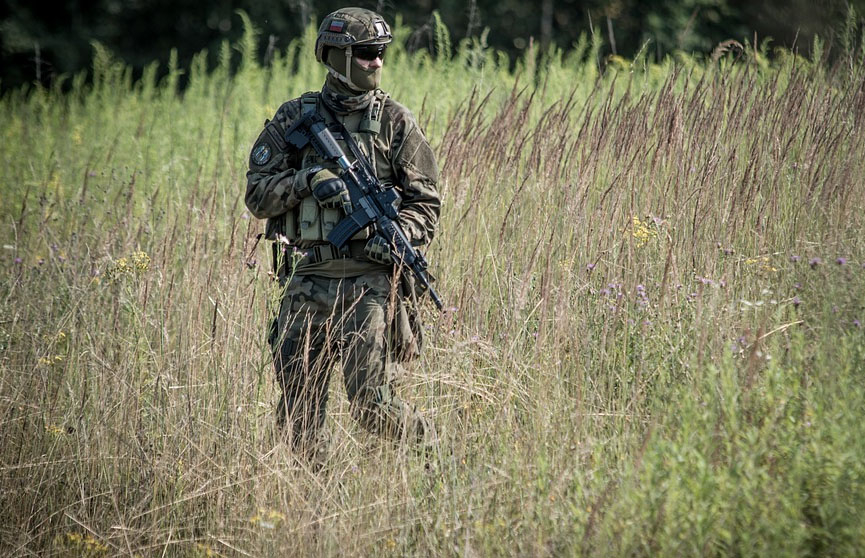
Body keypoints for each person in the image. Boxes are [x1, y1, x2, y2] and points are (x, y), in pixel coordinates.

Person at [244, 7, 440, 462]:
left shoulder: (395, 121)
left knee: (372, 406)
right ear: (335, 56)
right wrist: (307, 180)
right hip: (305, 281)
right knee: (299, 413)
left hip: (368, 285)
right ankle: (317, 496)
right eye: (367, 52)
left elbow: (426, 203)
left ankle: (434, 454)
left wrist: (397, 234)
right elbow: (256, 196)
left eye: (381, 52)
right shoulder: (295, 118)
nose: (377, 61)